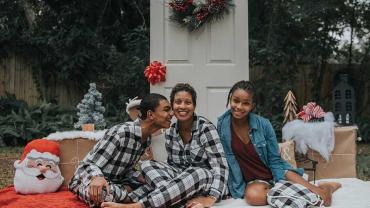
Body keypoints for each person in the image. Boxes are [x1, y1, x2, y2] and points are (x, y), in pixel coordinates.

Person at [101, 83, 229, 208]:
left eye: (188, 102)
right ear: (172, 106)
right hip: (180, 183)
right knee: (147, 165)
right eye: (178, 102)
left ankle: (137, 205)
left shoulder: (206, 128)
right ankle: (178, 201)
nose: (182, 106)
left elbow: (220, 166)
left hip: (203, 181)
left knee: (196, 171)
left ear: (194, 106)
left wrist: (211, 198)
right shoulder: (171, 132)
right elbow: (172, 166)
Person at [217, 80, 341, 206]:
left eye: (246, 103)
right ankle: (307, 190)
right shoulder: (222, 125)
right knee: (253, 196)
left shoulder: (264, 125)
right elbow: (228, 159)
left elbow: (274, 160)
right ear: (230, 98)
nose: (238, 107)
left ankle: (325, 190)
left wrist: (280, 181)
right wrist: (236, 187)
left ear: (252, 105)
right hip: (254, 181)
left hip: (275, 171)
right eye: (236, 100)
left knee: (322, 198)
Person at [69, 93, 173, 207]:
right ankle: (129, 197)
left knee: (154, 185)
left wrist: (141, 177)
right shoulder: (121, 132)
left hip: (116, 184)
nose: (171, 114)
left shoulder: (146, 139)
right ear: (150, 114)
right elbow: (87, 165)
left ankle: (124, 197)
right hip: (88, 181)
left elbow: (126, 169)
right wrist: (97, 177)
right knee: (103, 195)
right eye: (167, 110)